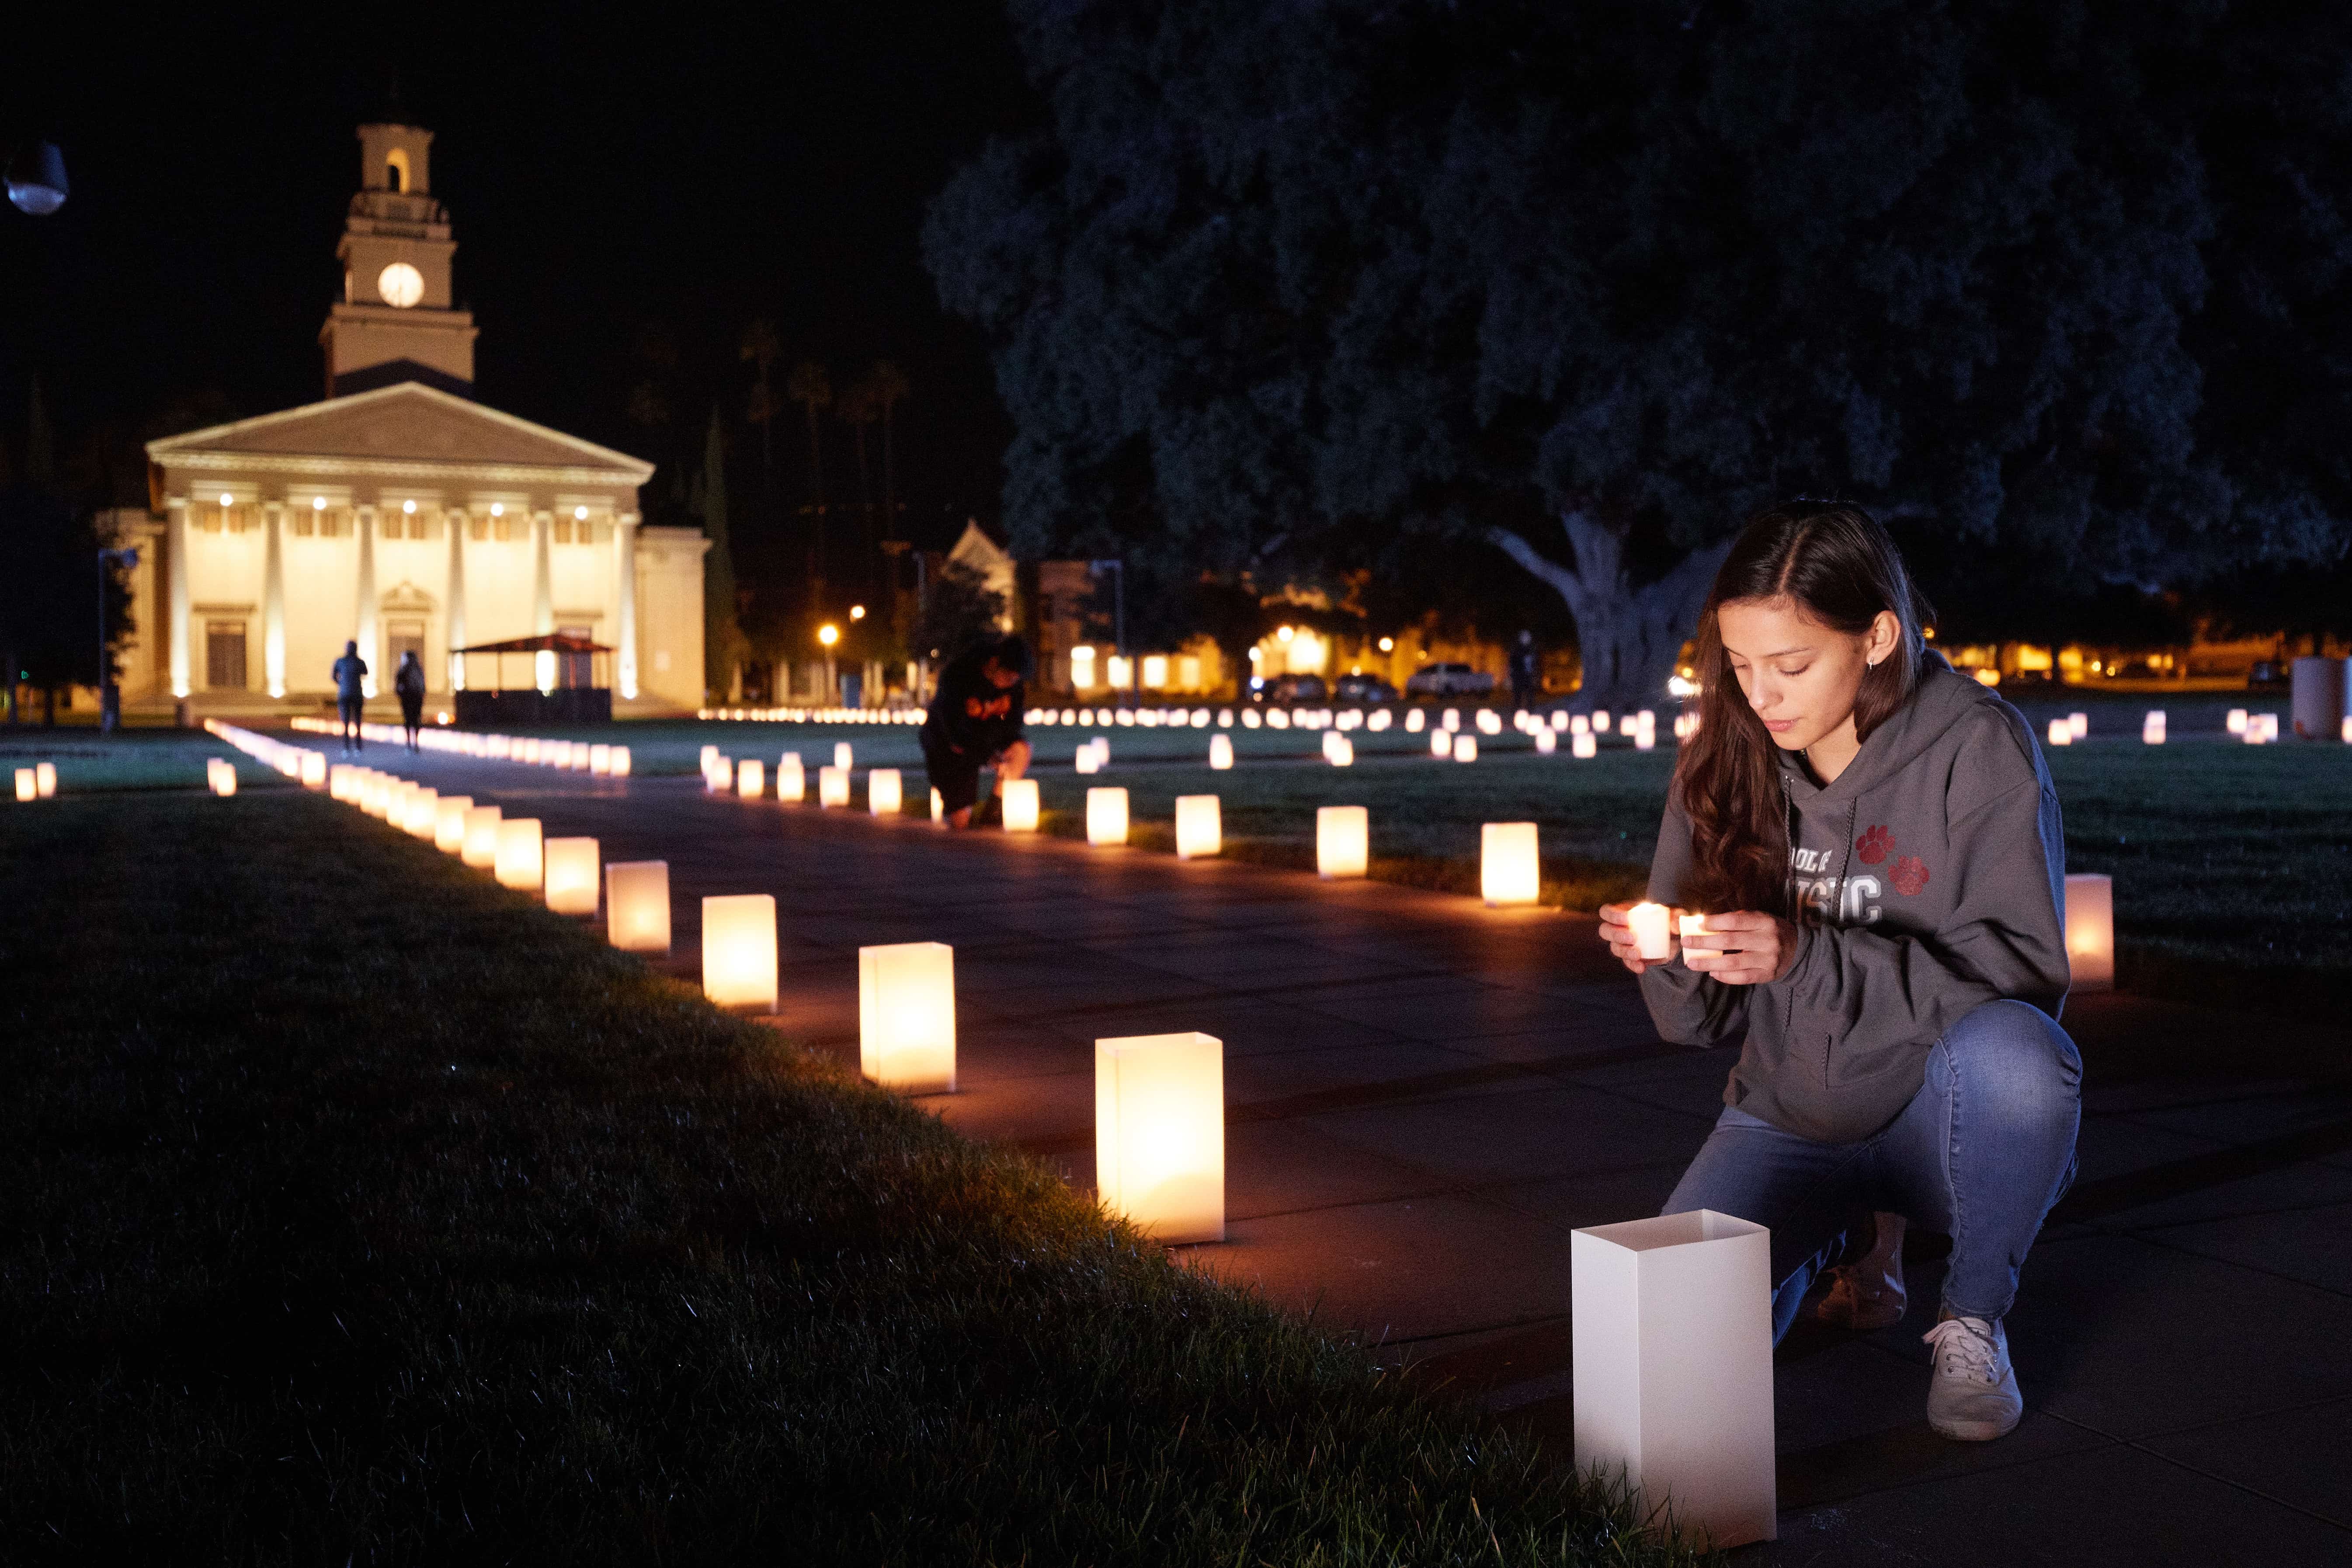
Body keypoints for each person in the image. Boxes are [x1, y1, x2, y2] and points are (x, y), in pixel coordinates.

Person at [1598, 502, 2078, 1445]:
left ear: (1875, 636)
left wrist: (1806, 955)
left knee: (2025, 1060)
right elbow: (1692, 1027)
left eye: (1790, 665)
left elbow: (2019, 982)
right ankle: (1852, 1230)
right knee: (1672, 1359)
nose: (1760, 695)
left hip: (1942, 1115)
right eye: (1738, 666)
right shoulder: (1723, 759)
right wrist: (1667, 954)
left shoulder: (1972, 746)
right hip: (1794, 1111)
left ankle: (1972, 1315)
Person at [920, 634, 1033, 830]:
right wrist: (988, 756)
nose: (1012, 682)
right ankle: (959, 811)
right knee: (960, 821)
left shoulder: (1013, 687)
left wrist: (1001, 750)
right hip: (950, 748)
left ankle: (995, 808)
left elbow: (1014, 725)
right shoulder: (957, 678)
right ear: (994, 663)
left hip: (987, 741)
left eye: (1017, 678)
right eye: (1009, 675)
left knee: (1020, 751)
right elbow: (954, 732)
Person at [331, 639, 369, 754]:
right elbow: (366, 673)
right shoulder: (360, 662)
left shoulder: (340, 661)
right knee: (358, 722)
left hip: (344, 695)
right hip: (357, 694)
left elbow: (333, 676)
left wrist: (342, 684)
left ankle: (346, 748)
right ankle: (358, 747)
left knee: (346, 722)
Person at [393, 650, 427, 752]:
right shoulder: (419, 669)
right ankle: (415, 743)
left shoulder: (403, 670)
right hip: (417, 698)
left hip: (408, 699)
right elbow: (423, 686)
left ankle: (409, 744)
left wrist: (400, 694)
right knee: (416, 720)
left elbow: (398, 686)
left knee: (408, 720)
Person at [1508, 630, 1541, 710]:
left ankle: (1530, 708)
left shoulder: (1532, 650)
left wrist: (1535, 673)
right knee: (1518, 694)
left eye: (1527, 638)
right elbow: (1513, 662)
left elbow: (1536, 662)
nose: (1525, 640)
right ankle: (1517, 708)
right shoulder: (1517, 650)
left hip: (1528, 675)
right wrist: (1513, 673)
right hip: (1519, 676)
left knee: (1530, 693)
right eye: (1524, 638)